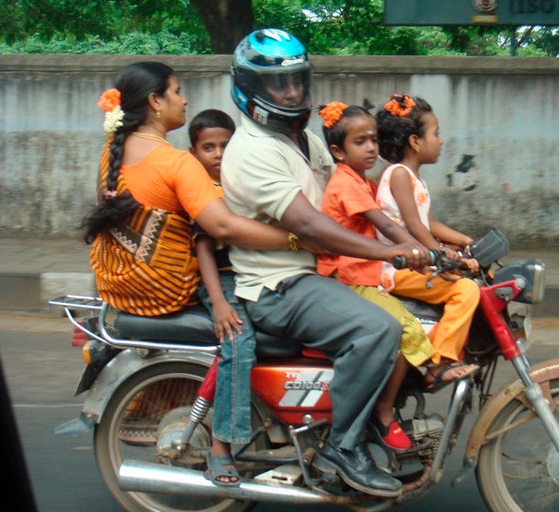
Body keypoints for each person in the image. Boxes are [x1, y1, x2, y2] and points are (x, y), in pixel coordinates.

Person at [221, 28, 428, 498]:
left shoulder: (306, 141)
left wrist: (422, 243)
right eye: (278, 84)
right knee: (377, 330)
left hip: (314, 273)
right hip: (279, 285)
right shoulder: (254, 150)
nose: (292, 92)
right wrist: (388, 251)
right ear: (251, 89)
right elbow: (311, 225)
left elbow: (353, 201)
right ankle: (342, 447)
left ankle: (365, 419)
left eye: (297, 81)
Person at [82, 62, 298, 486]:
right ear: (155, 102)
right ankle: (223, 446)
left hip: (123, 283)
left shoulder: (113, 151)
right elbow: (222, 227)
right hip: (169, 286)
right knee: (238, 337)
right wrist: (297, 238)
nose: (185, 100)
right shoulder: (176, 163)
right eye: (178, 91)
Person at [316, 101, 472, 452]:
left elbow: (406, 223)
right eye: (360, 142)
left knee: (411, 323)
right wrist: (425, 252)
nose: (371, 148)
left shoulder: (364, 181)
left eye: (373, 139)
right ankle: (384, 413)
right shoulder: (347, 183)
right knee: (403, 330)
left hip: (367, 272)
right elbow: (387, 225)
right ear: (338, 152)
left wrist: (441, 249)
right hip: (351, 276)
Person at [375, 94, 480, 390]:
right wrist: (444, 252)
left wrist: (466, 241)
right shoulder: (398, 174)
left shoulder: (414, 177)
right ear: (415, 142)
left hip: (414, 262)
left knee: (465, 279)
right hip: (396, 270)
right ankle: (439, 363)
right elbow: (415, 226)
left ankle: (427, 349)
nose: (441, 141)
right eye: (436, 134)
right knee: (465, 290)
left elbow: (430, 223)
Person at [188, 108, 254, 486]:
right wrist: (219, 303)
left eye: (225, 146)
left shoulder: (240, 184)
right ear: (193, 152)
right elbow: (204, 251)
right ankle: (220, 447)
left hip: (251, 277)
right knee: (238, 341)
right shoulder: (203, 194)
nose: (217, 154)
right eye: (208, 147)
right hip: (222, 281)